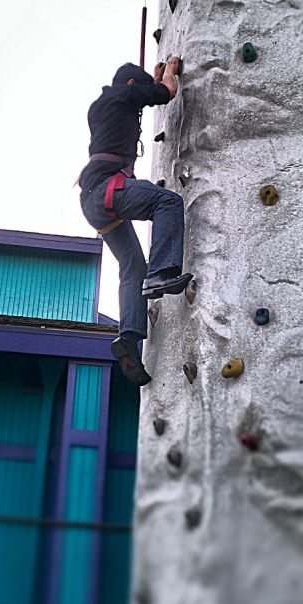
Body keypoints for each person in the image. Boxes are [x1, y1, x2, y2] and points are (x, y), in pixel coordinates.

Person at [78, 57, 192, 387]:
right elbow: (166, 91)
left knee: (131, 265)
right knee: (167, 201)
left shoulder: (106, 103)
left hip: (93, 201)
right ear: (131, 87)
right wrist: (168, 72)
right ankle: (162, 273)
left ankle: (127, 339)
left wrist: (149, 82)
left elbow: (145, 92)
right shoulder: (123, 97)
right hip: (108, 190)